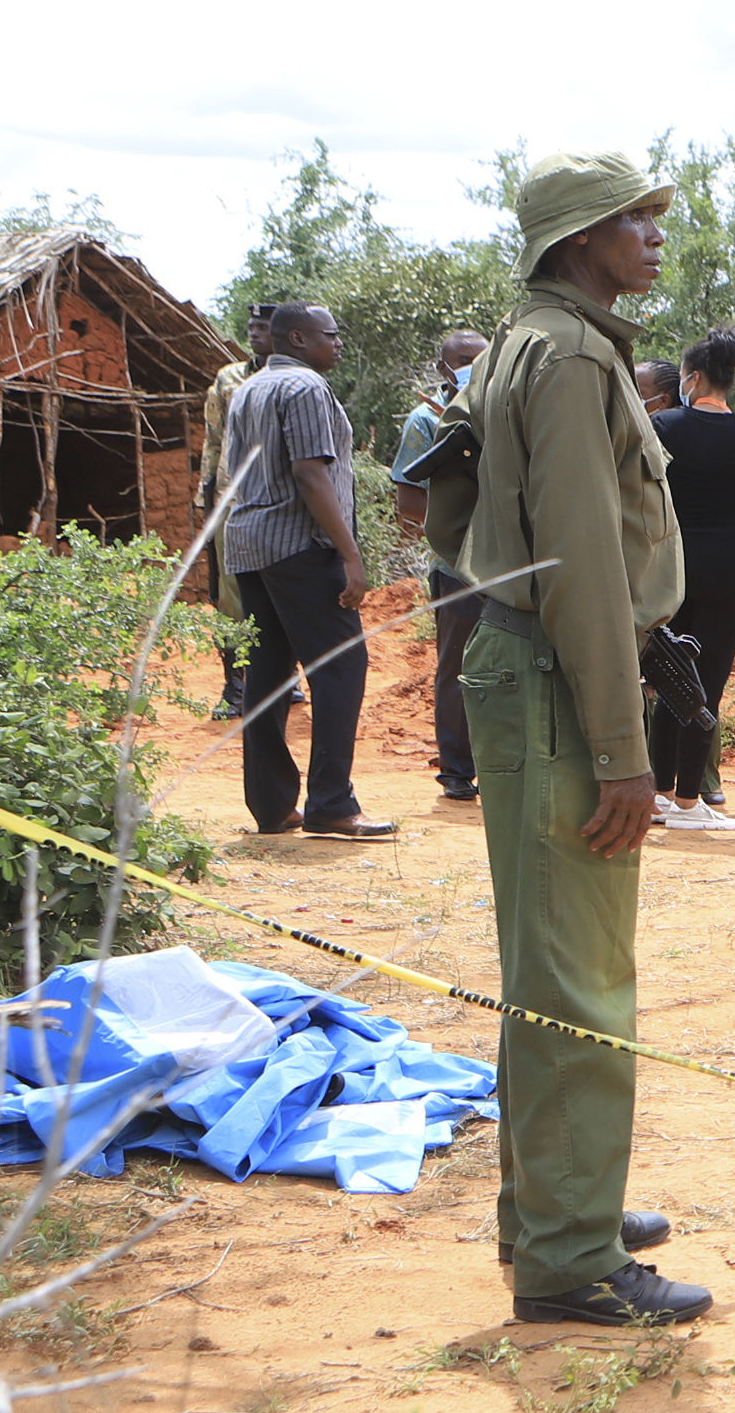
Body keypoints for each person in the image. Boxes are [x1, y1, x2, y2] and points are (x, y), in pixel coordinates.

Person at [438, 149, 704, 1329]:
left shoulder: (524, 344)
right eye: (633, 219)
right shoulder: (565, 357)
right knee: (579, 982)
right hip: (556, 676)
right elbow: (585, 566)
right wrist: (622, 749)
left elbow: (445, 507)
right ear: (580, 237)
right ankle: (571, 1260)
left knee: (549, 968)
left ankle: (553, 1209)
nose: (653, 234)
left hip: (528, 662)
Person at [218, 303, 398, 840]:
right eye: (330, 335)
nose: (338, 344)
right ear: (298, 338)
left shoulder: (246, 388)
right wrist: (349, 554)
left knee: (270, 674)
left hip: (250, 546)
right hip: (300, 546)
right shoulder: (306, 389)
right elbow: (309, 474)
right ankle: (332, 804)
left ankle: (272, 806)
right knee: (341, 666)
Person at [645, 328, 735, 830]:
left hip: (672, 566)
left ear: (694, 376)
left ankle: (661, 795)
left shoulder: (663, 425)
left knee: (667, 675)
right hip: (730, 566)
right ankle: (688, 802)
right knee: (708, 680)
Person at [393, 327, 491, 805]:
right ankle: (456, 770)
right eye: (464, 359)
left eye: (481, 357)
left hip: (507, 565)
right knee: (457, 668)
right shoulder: (425, 421)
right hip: (456, 566)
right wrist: (457, 520)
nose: (473, 366)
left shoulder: (499, 410)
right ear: (443, 368)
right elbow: (409, 500)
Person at [196, 313, 273, 716]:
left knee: (281, 589)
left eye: (264, 328)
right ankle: (236, 687)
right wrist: (204, 495)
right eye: (252, 329)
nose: (255, 335)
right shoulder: (228, 379)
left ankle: (281, 681)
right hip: (233, 496)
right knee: (230, 593)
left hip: (284, 502)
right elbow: (213, 439)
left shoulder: (304, 378)